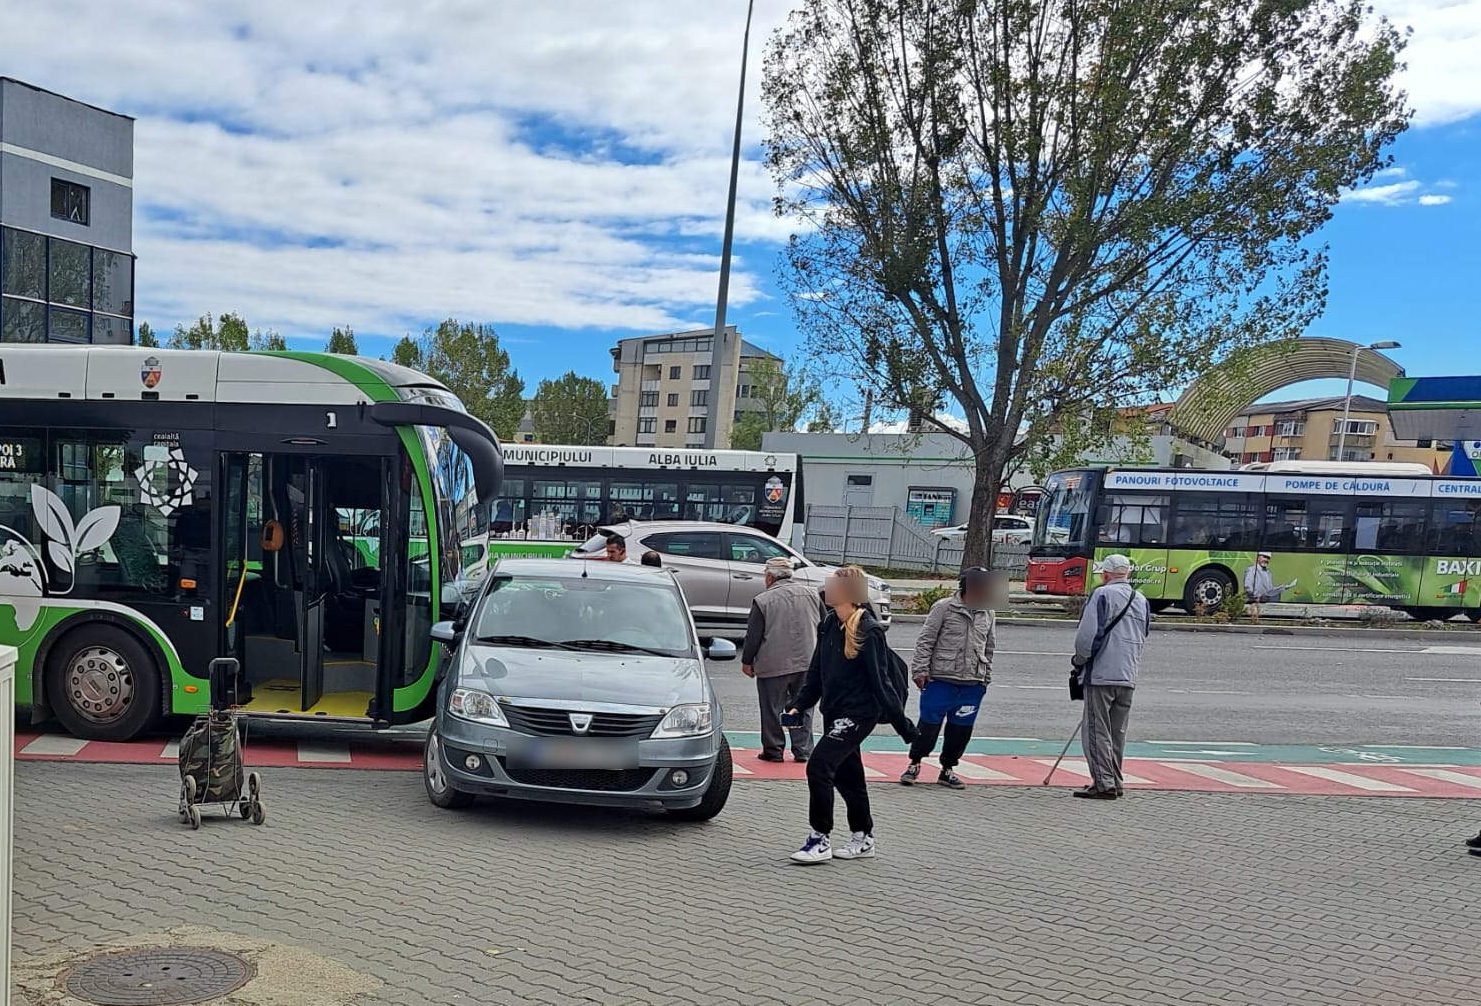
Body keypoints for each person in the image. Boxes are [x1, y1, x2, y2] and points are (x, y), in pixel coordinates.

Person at [785, 566, 917, 864]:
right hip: (834, 713)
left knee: (818, 767)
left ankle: (820, 838)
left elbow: (882, 683)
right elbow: (816, 673)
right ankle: (864, 836)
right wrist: (798, 704)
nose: (827, 589)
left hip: (859, 715)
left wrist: (905, 727)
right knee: (849, 777)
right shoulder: (830, 623)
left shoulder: (869, 631)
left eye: (833, 585)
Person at [900, 566, 997, 790]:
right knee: (928, 726)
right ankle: (915, 763)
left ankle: (947, 769)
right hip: (941, 680)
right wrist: (920, 670)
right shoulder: (944, 608)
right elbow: (925, 641)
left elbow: (989, 648)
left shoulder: (988, 613)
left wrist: (985, 679)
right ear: (966, 585)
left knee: (960, 731)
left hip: (972, 683)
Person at [1070, 553, 1150, 800]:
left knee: (1096, 730)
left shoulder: (1102, 595)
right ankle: (1115, 779)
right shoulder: (1141, 599)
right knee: (1117, 732)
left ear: (1105, 574)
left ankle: (1103, 784)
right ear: (1127, 574)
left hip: (1102, 674)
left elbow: (1087, 638)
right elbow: (1144, 634)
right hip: (1128, 675)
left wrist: (1078, 661)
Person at [741, 557, 822, 764]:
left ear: (769, 577)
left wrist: (747, 661)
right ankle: (802, 749)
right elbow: (824, 625)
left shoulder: (763, 600)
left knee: (772, 708)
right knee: (800, 706)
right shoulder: (812, 594)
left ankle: (774, 750)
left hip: (773, 664)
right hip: (807, 661)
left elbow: (753, 636)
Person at [1242, 551, 1292, 622]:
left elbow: (1269, 590)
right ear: (1258, 557)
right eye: (1264, 557)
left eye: (1268, 558)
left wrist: (1282, 588)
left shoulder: (1268, 573)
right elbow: (1248, 586)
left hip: (1265, 602)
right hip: (1254, 603)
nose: (1266, 560)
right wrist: (1255, 596)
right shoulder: (1252, 570)